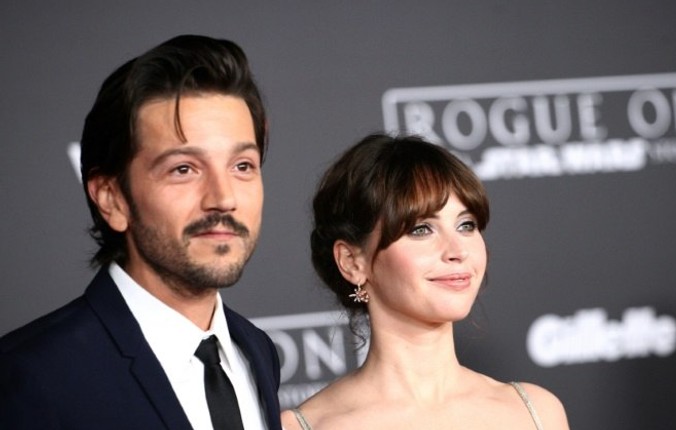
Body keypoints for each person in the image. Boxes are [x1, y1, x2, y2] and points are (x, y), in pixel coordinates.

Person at [0, 35, 281, 430]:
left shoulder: (254, 350)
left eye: (243, 166)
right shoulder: (29, 378)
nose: (224, 198)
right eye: (184, 169)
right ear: (112, 199)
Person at [281, 134, 569, 429]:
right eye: (421, 230)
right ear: (353, 263)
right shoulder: (304, 426)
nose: (457, 251)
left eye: (466, 225)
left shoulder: (536, 412)